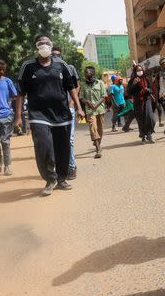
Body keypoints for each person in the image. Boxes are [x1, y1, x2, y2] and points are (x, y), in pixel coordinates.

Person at [16, 35, 85, 197]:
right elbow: (20, 92)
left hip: (61, 114)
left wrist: (79, 107)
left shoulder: (62, 65)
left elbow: (72, 87)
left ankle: (61, 179)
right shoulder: (28, 67)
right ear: (36, 47)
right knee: (44, 146)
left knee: (63, 148)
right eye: (41, 43)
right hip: (38, 114)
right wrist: (18, 116)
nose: (44, 46)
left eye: (47, 43)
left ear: (51, 45)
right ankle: (50, 179)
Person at [52, 47, 80, 180]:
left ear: (61, 55)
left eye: (58, 55)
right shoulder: (47, 69)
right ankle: (58, 168)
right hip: (54, 111)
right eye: (53, 55)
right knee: (54, 141)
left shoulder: (69, 67)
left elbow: (76, 85)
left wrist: (73, 103)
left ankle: (72, 167)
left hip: (68, 109)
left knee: (69, 139)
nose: (56, 57)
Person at [80, 65, 106, 158]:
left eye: (86, 72)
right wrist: (87, 101)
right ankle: (98, 149)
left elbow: (103, 96)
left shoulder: (100, 83)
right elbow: (81, 97)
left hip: (100, 109)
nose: (85, 74)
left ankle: (97, 143)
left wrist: (96, 104)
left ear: (92, 73)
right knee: (93, 128)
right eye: (84, 72)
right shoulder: (83, 85)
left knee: (100, 129)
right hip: (90, 110)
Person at [128, 65, 155, 144]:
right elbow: (129, 92)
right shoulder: (132, 80)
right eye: (138, 71)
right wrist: (134, 84)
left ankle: (149, 134)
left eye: (141, 70)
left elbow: (151, 89)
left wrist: (148, 90)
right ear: (135, 72)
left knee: (150, 118)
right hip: (138, 103)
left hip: (147, 101)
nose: (140, 72)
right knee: (141, 120)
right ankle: (143, 137)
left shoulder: (146, 79)